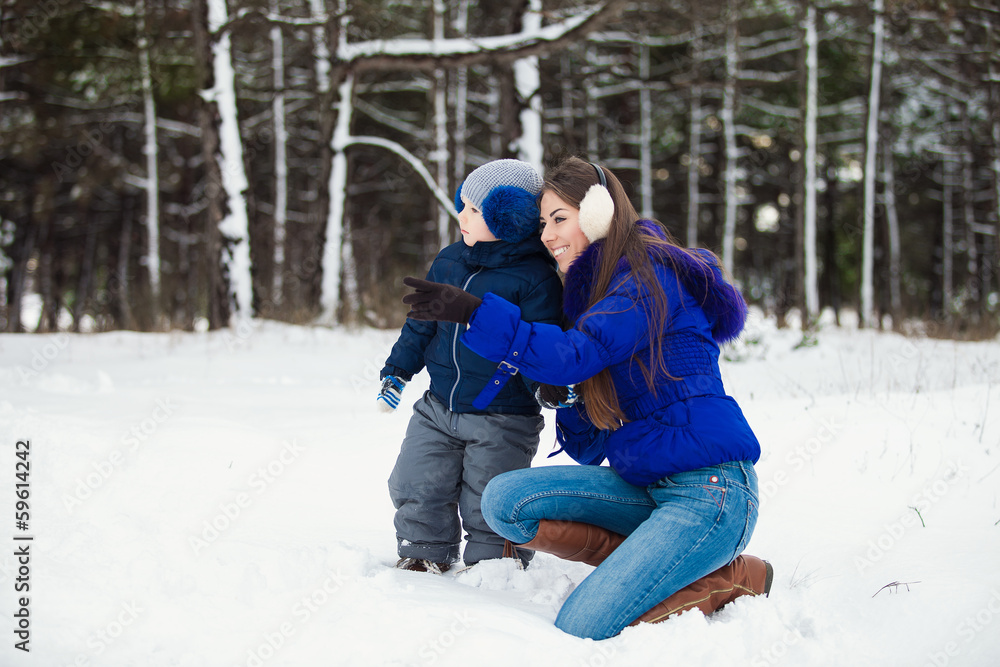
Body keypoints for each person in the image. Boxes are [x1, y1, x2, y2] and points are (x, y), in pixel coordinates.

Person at [400, 156, 770, 638]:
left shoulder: (650, 277)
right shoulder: (596, 302)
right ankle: (650, 559)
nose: (549, 235)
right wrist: (566, 397)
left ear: (599, 212)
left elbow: (577, 354)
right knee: (505, 500)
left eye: (560, 219)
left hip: (711, 493)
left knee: (582, 625)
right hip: (647, 487)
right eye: (541, 225)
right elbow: (589, 447)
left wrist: (476, 312)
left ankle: (730, 578)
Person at [379, 159, 563, 574]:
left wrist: (545, 387)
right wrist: (398, 368)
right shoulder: (449, 261)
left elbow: (538, 342)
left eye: (474, 209)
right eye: (463, 205)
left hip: (503, 415)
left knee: (489, 496)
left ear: (510, 216)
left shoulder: (536, 279)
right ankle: (422, 553)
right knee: (416, 480)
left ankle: (496, 566)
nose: (461, 215)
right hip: (438, 405)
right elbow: (420, 321)